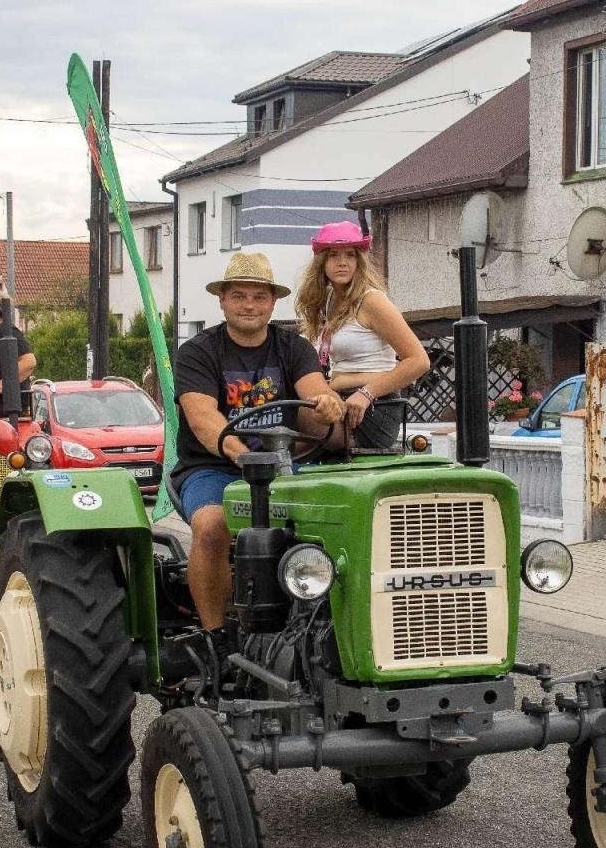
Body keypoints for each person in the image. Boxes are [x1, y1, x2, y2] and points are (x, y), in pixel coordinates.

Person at [172, 252, 343, 631]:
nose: (249, 305)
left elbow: (313, 391)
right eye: (239, 296)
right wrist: (245, 456)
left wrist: (328, 404)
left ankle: (321, 627)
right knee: (212, 525)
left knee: (335, 519)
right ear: (222, 300)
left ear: (272, 302)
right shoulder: (197, 352)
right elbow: (204, 421)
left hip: (282, 465)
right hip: (213, 468)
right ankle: (215, 635)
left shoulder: (293, 347)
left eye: (258, 297)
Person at [295, 221, 429, 449]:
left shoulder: (371, 300)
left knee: (295, 415)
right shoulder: (329, 301)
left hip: (373, 407)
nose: (342, 262)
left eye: (350, 255)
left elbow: (419, 361)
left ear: (359, 261)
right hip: (342, 401)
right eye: (333, 256)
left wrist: (366, 394)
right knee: (284, 426)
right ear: (321, 263)